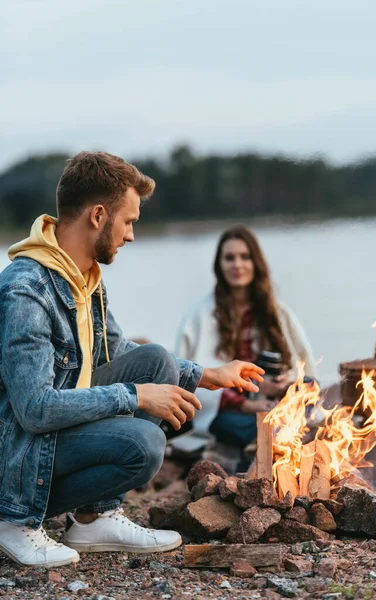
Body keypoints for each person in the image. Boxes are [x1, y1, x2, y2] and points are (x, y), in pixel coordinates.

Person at [0, 153, 264, 568]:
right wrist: (135, 396)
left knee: (156, 359)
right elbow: (35, 409)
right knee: (144, 445)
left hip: (46, 436)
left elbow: (120, 351)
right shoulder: (26, 291)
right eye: (129, 221)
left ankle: (94, 518)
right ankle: (13, 519)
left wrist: (209, 374)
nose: (131, 235)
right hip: (14, 460)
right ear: (98, 215)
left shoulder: (81, 277)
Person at [175, 225, 317, 472]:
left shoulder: (276, 311)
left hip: (270, 402)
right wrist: (249, 405)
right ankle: (265, 446)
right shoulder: (200, 316)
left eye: (244, 257)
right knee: (236, 424)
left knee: (308, 387)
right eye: (229, 258)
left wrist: (283, 383)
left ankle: (267, 442)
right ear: (219, 266)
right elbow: (190, 378)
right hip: (229, 411)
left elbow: (301, 364)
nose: (237, 265)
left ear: (255, 262)